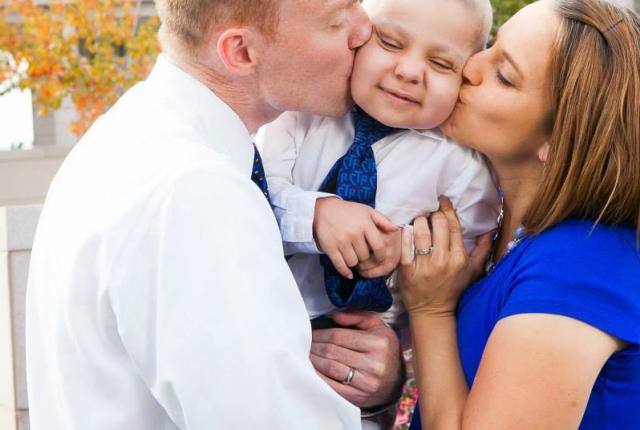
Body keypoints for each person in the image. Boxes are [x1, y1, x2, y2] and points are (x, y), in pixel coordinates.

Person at [24, 1, 392, 428]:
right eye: (336, 20)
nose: (365, 30)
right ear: (240, 52)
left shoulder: (128, 138)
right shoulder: (196, 192)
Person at [397, 0, 640, 429]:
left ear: (561, 140)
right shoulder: (521, 238)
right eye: (491, 44)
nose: (470, 67)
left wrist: (430, 311)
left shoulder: (587, 262)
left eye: (503, 75)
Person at [256, 1, 498, 423]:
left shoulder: (463, 171)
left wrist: (402, 255)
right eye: (389, 42)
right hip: (256, 342)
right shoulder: (299, 115)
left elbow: (460, 283)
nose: (409, 71)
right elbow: (253, 196)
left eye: (441, 63)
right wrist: (316, 214)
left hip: (357, 386)